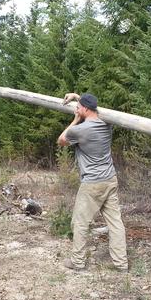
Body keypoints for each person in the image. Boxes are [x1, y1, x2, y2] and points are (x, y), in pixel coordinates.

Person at [57, 92, 128, 272]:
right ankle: (121, 264)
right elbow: (91, 107)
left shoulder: (79, 130)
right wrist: (75, 96)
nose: (76, 109)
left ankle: (78, 262)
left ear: (85, 110)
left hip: (92, 184)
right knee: (115, 223)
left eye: (79, 107)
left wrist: (75, 120)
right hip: (110, 179)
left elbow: (61, 141)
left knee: (80, 223)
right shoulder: (107, 123)